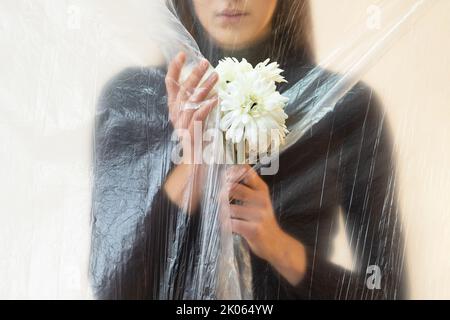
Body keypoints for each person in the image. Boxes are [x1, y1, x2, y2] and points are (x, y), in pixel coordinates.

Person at [89, 0, 408, 299]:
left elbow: (386, 291)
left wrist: (275, 244)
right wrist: (195, 163)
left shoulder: (344, 107)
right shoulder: (132, 101)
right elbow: (116, 289)